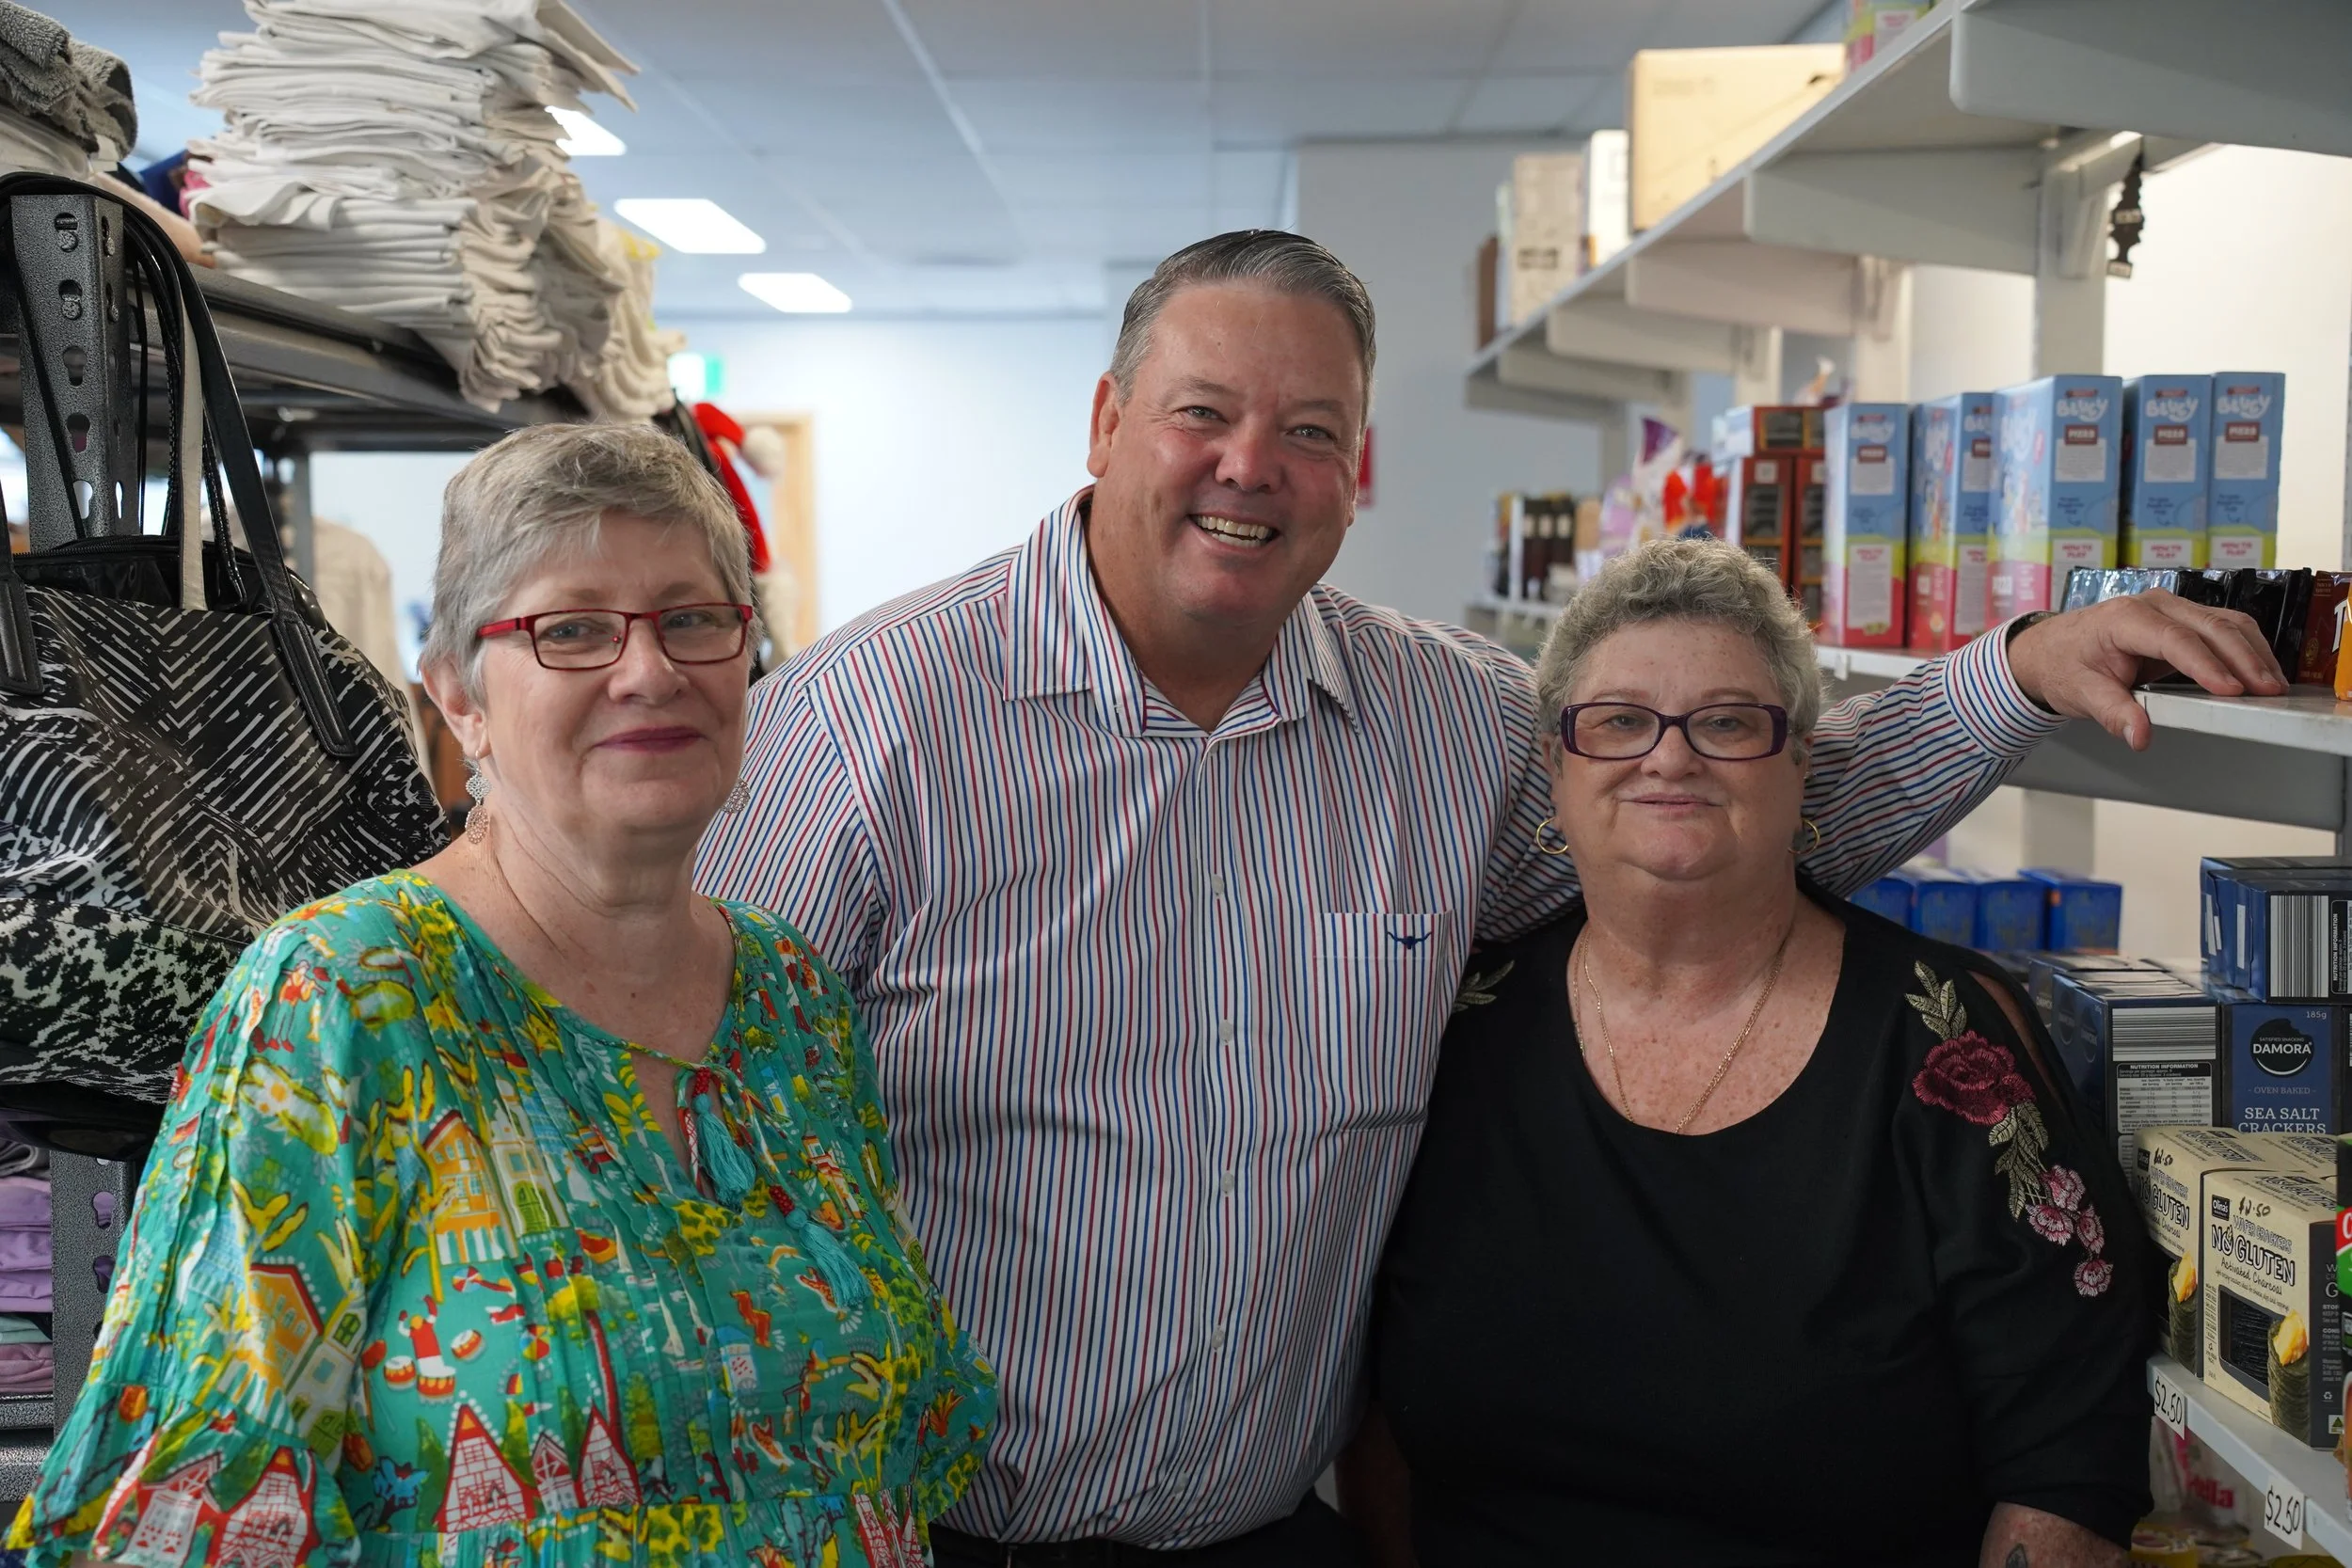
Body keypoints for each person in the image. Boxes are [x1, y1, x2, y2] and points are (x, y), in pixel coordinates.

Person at [696, 230, 2273, 1562]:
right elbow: (690, 1134)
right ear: (1107, 422)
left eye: (1310, 429)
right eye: (1203, 413)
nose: (1251, 466)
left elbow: (1701, 820)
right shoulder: (864, 723)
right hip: (927, 1533)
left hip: (1267, 1533)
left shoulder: (1444, 723)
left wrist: (2016, 673)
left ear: (1358, 470)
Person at [10, 424, 995, 1568]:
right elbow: (194, 1512)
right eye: (570, 629)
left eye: (692, 618)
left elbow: (902, 1437)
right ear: (458, 697)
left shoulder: (793, 997)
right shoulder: (343, 995)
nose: (650, 670)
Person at [1368, 538, 2151, 1568]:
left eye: (1729, 722)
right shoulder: (1451, 1026)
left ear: (1801, 763)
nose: (1669, 757)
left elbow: (2067, 1464)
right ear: (1554, 772)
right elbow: (1370, 1403)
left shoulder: (1949, 1045)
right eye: (1618, 721)